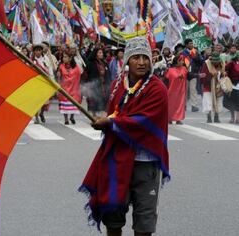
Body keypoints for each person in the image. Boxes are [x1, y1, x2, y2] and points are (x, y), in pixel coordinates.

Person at [80, 37, 169, 236]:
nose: (141, 62)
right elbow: (115, 115)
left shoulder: (157, 89)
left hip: (146, 163)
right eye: (136, 57)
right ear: (127, 60)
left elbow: (143, 121)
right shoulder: (117, 85)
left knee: (144, 222)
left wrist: (110, 122)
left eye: (145, 57)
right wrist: (104, 121)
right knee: (113, 217)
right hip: (118, 158)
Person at [84, 47, 111, 118]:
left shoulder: (105, 63)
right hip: (94, 85)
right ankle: (94, 115)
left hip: (104, 85)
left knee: (104, 99)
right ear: (96, 54)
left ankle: (101, 114)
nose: (101, 54)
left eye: (102, 52)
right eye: (99, 53)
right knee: (93, 99)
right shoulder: (90, 64)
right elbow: (86, 74)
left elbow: (108, 74)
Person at [200, 52, 225, 123]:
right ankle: (209, 117)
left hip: (219, 86)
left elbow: (223, 73)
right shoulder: (206, 64)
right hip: (208, 86)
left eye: (217, 62)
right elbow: (203, 76)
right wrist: (212, 76)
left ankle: (216, 116)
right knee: (208, 101)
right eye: (215, 62)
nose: (216, 63)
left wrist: (223, 74)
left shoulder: (222, 63)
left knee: (218, 101)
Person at [57, 53, 82, 124]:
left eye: (65, 57)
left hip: (74, 88)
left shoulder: (76, 67)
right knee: (64, 102)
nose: (63, 59)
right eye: (63, 57)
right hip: (64, 87)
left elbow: (78, 76)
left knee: (74, 102)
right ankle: (66, 119)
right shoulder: (61, 66)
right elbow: (59, 77)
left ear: (70, 58)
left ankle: (72, 116)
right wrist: (58, 74)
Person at [31, 44, 52, 124]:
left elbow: (49, 69)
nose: (38, 52)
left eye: (39, 50)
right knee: (36, 101)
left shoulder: (45, 59)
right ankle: (36, 117)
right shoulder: (31, 60)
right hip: (35, 82)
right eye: (36, 50)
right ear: (34, 51)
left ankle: (42, 113)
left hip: (44, 82)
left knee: (44, 101)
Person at [165, 54, 188, 124]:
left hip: (181, 92)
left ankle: (178, 119)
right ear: (176, 61)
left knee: (180, 105)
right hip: (171, 92)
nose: (182, 62)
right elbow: (166, 81)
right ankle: (169, 118)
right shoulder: (170, 70)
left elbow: (189, 76)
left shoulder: (184, 69)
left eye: (182, 61)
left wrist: (198, 75)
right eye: (180, 61)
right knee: (171, 105)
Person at [182, 39, 201, 112]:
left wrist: (196, 57)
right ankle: (184, 106)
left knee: (193, 90)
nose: (191, 45)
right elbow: (183, 63)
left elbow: (200, 62)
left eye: (192, 43)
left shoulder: (195, 52)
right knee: (185, 91)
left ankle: (194, 106)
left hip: (193, 74)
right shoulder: (183, 53)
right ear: (186, 45)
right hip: (185, 74)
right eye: (190, 43)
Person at [223, 52, 239, 123]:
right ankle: (232, 117)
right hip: (232, 85)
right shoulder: (232, 63)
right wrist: (225, 73)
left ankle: (238, 118)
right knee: (231, 102)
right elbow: (225, 70)